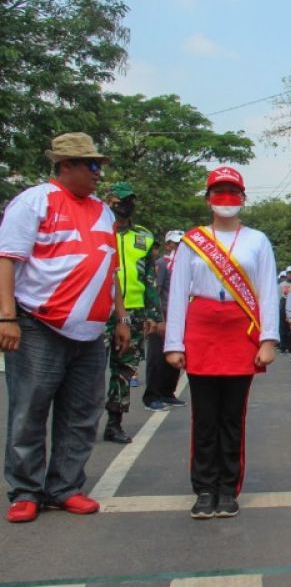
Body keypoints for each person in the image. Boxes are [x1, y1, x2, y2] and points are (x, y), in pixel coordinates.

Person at [0, 132, 129, 523]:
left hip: (89, 333)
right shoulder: (34, 201)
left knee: (82, 412)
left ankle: (65, 487)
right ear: (65, 165)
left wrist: (121, 317)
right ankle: (26, 490)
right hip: (39, 324)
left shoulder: (102, 212)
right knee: (30, 409)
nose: (97, 173)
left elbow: (111, 270)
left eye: (98, 166)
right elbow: (6, 259)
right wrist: (7, 316)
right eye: (91, 165)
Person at [164, 166, 278, 519]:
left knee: (233, 415)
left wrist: (268, 339)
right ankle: (204, 488)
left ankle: (228, 487)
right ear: (208, 198)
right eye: (219, 192)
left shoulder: (257, 240)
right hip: (201, 332)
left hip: (240, 333)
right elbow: (179, 292)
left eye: (233, 192)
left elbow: (269, 292)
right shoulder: (192, 241)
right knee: (204, 416)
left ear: (243, 198)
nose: (226, 199)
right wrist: (174, 343)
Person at [103, 182, 162, 444]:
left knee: (125, 369)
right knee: (89, 370)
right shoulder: (100, 232)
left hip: (135, 311)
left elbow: (150, 278)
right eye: (120, 200)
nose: (125, 205)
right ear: (109, 202)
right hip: (101, 311)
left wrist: (153, 314)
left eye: (129, 200)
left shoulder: (144, 237)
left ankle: (115, 422)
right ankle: (78, 423)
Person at [142, 230, 185, 410]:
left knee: (175, 355)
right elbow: (155, 291)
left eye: (182, 244)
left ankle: (168, 392)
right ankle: (152, 396)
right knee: (157, 357)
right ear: (168, 245)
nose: (178, 247)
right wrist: (158, 319)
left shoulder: (184, 265)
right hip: (163, 315)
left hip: (178, 316)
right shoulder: (161, 264)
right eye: (175, 244)